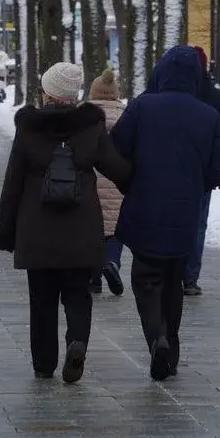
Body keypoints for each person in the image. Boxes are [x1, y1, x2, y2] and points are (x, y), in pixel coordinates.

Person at [0, 62, 130, 383]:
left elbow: (13, 185)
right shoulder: (90, 129)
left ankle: (43, 365)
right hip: (81, 232)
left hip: (37, 232)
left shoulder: (29, 130)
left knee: (42, 300)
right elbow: (119, 171)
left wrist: (5, 231)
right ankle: (77, 341)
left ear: (48, 93)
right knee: (78, 294)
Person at [111, 45, 220, 381]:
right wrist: (195, 182)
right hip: (184, 212)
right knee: (174, 281)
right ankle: (171, 348)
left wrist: (130, 178)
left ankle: (156, 339)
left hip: (144, 207)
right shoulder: (207, 115)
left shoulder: (142, 107)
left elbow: (116, 145)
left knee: (145, 278)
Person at [184, 47, 220, 296]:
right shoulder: (214, 97)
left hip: (171, 171)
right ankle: (190, 276)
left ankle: (169, 271)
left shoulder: (165, 92)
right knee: (197, 225)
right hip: (202, 174)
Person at [86, 67, 126, 296]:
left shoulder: (85, 114)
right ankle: (112, 262)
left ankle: (93, 276)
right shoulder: (126, 114)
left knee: (92, 227)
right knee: (115, 228)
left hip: (91, 179)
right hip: (116, 179)